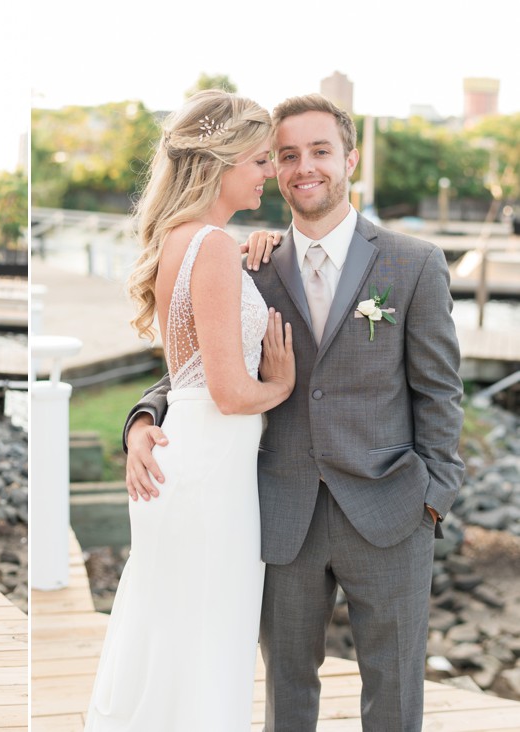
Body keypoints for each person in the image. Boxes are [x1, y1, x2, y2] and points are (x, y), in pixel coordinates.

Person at [124, 94, 465, 731]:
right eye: (285, 155)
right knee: (285, 696)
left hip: (391, 510)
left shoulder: (413, 263)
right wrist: (142, 420)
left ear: (350, 159)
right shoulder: (248, 261)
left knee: (395, 693)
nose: (303, 166)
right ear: (271, 168)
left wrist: (434, 496)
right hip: (277, 515)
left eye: (320, 151)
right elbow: (195, 362)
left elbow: (441, 391)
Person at [84, 90, 296, 731]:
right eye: (260, 160)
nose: (270, 175)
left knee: (175, 627)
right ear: (222, 160)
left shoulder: (187, 239)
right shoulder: (208, 246)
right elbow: (231, 391)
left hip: (198, 454)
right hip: (210, 468)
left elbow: (192, 374)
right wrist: (280, 385)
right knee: (208, 632)